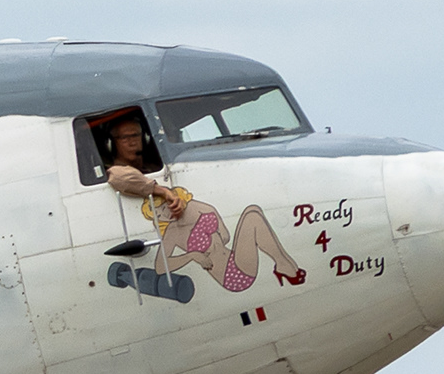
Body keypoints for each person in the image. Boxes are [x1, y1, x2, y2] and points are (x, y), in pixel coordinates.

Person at [103, 114, 303, 292]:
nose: (131, 142)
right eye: (124, 138)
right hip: (231, 274)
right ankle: (285, 266)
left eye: (135, 136)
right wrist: (192, 255)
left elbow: (224, 235)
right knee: (251, 215)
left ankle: (284, 265)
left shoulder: (189, 203)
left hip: (233, 259)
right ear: (112, 144)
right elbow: (117, 177)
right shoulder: (171, 232)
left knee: (252, 213)